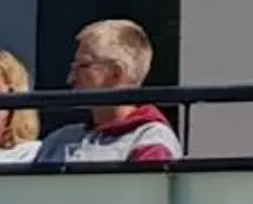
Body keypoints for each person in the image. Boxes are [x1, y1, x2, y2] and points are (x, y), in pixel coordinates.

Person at [32, 19, 181, 164]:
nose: (70, 79)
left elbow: (147, 188)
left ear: (116, 73)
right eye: (73, 68)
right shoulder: (58, 140)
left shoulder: (150, 141)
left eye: (83, 66)